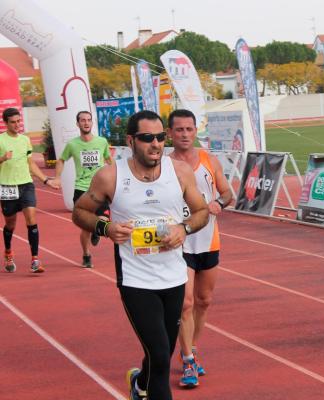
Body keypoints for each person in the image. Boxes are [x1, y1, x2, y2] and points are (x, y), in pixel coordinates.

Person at [72, 110, 209, 400]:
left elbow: (201, 212)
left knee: (160, 355)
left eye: (160, 137)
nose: (156, 144)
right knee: (160, 355)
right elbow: (80, 211)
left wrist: (183, 229)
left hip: (173, 277)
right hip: (136, 280)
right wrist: (106, 227)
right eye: (147, 138)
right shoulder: (111, 176)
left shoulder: (180, 172)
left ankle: (139, 383)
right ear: (131, 140)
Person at [167, 109, 233, 387]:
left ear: (195, 131)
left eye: (189, 129)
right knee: (186, 303)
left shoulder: (209, 160)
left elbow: (228, 192)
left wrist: (220, 202)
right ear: (169, 133)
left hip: (208, 240)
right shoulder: (165, 165)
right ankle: (189, 362)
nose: (184, 134)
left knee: (203, 301)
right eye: (179, 129)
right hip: (179, 243)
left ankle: (190, 349)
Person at [0, 107, 60, 273]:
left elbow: (31, 163)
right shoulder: (1, 140)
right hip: (7, 187)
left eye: (19, 121)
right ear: (6, 123)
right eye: (13, 122)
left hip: (26, 184)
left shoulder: (25, 140)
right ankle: (8, 252)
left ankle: (35, 259)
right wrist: (2, 158)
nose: (17, 124)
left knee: (31, 219)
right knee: (10, 224)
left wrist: (46, 180)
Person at [55, 111, 112, 268]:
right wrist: (58, 177)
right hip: (81, 189)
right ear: (78, 124)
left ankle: (96, 230)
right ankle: (86, 254)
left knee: (104, 220)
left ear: (92, 123)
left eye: (89, 120)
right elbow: (61, 160)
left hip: (99, 188)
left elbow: (109, 160)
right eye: (83, 120)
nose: (86, 123)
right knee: (85, 227)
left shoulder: (102, 142)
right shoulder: (72, 144)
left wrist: (115, 176)